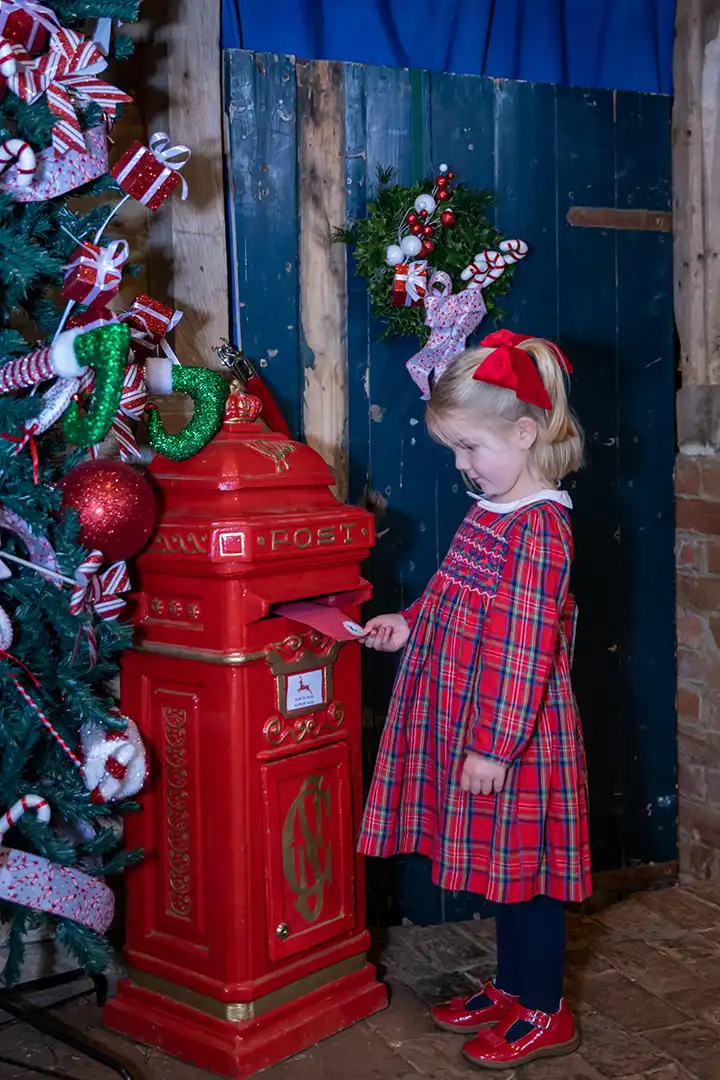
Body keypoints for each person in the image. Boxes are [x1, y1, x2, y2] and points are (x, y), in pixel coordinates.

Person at [358, 329, 591, 1069]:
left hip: (512, 734)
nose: (462, 467)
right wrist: (409, 621)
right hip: (469, 722)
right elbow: (454, 594)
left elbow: (522, 649)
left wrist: (493, 745)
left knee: (529, 875)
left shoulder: (542, 529)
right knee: (502, 864)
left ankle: (545, 1009)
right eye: (455, 451)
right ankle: (513, 988)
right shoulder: (492, 509)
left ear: (525, 434)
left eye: (470, 449)